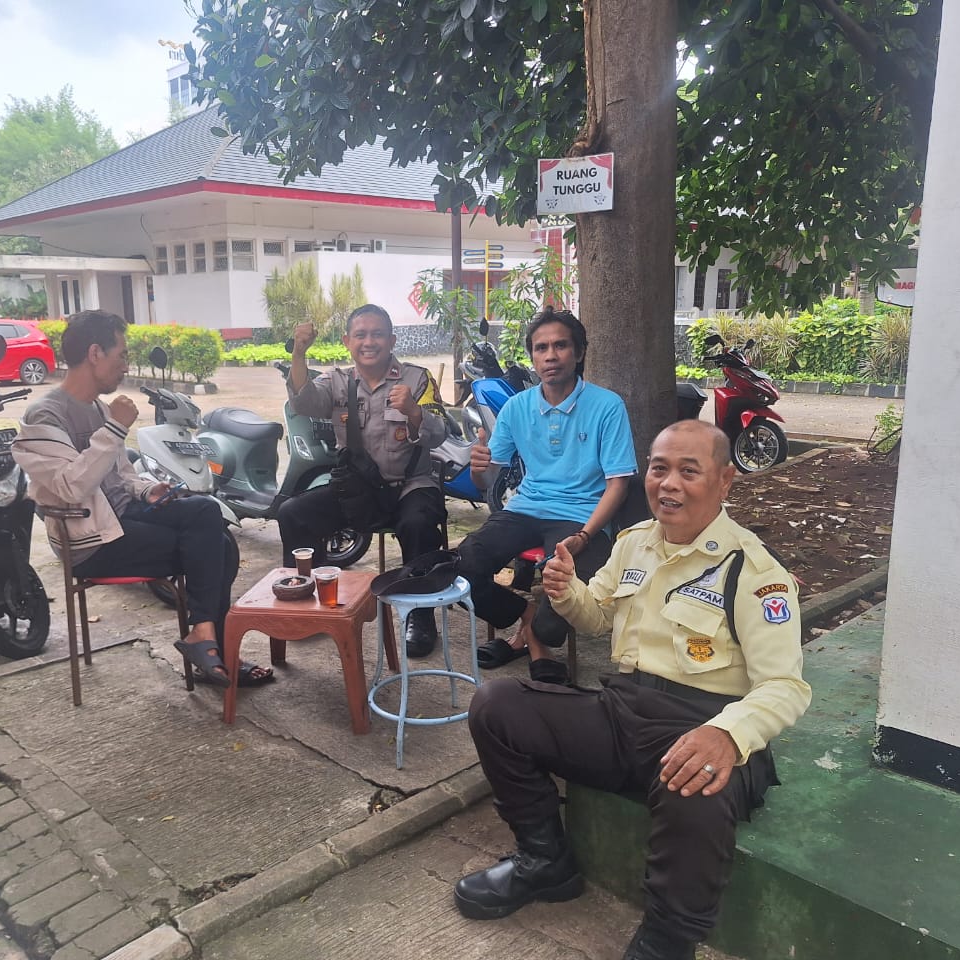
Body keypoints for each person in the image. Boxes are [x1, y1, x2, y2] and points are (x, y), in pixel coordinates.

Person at [454, 419, 812, 960]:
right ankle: (544, 860)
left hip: (702, 723)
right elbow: (597, 617)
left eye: (688, 471)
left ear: (724, 481)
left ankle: (668, 939)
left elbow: (785, 685)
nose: (668, 484)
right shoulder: (634, 544)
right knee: (497, 704)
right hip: (623, 711)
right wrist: (567, 591)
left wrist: (726, 735)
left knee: (696, 780)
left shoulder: (754, 570)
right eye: (659, 468)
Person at [12, 309, 271, 687]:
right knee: (219, 546)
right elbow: (71, 487)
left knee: (205, 511)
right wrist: (115, 427)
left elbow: (122, 474)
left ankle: (206, 640)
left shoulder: (99, 408)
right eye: (121, 355)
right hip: (90, 541)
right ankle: (214, 647)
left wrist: (147, 489)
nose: (125, 365)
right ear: (95, 353)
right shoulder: (44, 416)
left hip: (125, 517)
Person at [458, 305, 637, 683]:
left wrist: (585, 535)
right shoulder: (516, 407)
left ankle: (532, 637)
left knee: (563, 610)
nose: (550, 355)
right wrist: (478, 468)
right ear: (532, 356)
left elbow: (618, 484)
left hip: (581, 516)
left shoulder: (607, 406)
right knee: (460, 567)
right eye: (541, 348)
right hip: (526, 507)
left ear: (579, 352)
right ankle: (528, 623)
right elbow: (485, 482)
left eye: (560, 345)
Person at [278, 304, 449, 656]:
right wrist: (299, 354)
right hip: (357, 490)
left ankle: (420, 617)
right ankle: (309, 603)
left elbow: (441, 433)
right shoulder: (336, 381)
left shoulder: (417, 379)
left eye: (377, 334)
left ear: (392, 340)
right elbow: (304, 404)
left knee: (419, 524)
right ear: (347, 341)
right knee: (293, 512)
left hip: (409, 487)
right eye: (360, 335)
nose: (369, 342)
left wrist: (414, 411)